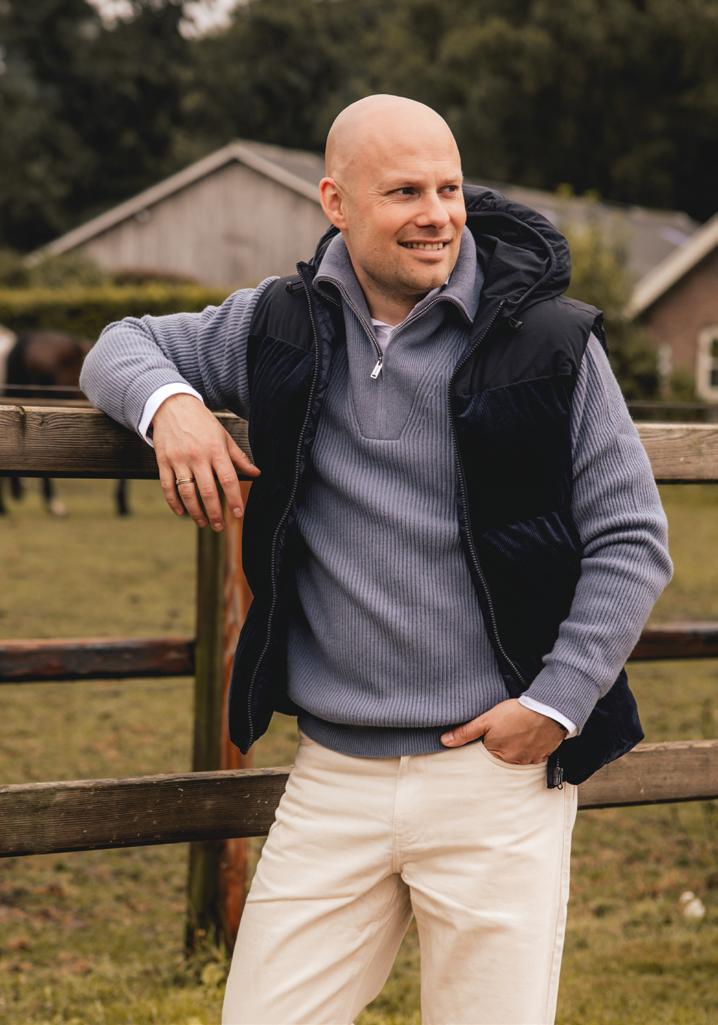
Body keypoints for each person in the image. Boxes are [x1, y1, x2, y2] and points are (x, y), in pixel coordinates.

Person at [79, 94, 673, 1025]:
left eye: (449, 188)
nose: (437, 215)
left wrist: (554, 706)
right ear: (336, 202)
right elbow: (120, 344)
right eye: (404, 192)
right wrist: (173, 407)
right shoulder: (281, 324)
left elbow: (632, 537)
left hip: (495, 774)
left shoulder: (550, 342)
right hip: (333, 777)